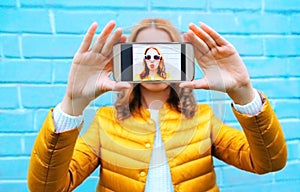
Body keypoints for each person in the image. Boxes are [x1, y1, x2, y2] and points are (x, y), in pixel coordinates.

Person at [27, 18, 287, 192]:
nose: (152, 60)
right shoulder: (105, 122)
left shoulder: (204, 118)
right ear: (130, 60)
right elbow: (47, 188)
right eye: (143, 52)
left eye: (164, 52)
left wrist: (244, 94)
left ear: (178, 59)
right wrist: (71, 105)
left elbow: (268, 164)